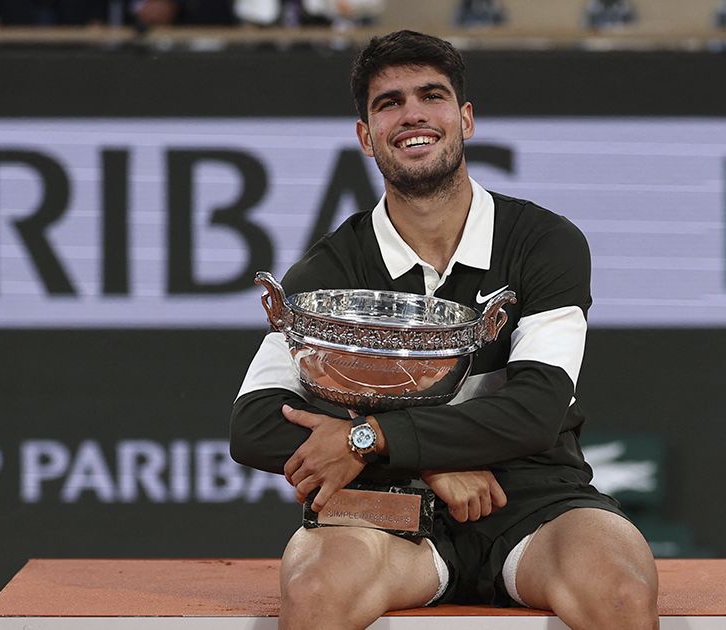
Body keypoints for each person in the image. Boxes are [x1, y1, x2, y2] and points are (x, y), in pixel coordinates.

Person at [230, 29, 659, 630]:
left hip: (535, 497)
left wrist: (369, 439)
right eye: (389, 103)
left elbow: (535, 410)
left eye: (431, 96)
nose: (412, 114)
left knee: (620, 591)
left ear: (465, 119)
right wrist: (427, 463)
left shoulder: (543, 244)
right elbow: (253, 426)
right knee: (315, 589)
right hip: (389, 504)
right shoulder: (330, 269)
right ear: (365, 136)